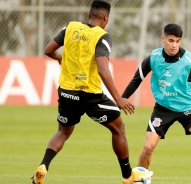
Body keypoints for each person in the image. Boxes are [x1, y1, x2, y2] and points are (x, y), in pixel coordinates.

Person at [31, 1, 153, 184]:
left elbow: (48, 50)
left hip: (66, 92)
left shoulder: (70, 28)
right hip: (90, 95)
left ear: (89, 15)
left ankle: (43, 166)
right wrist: (118, 98)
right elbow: (103, 70)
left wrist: (60, 58)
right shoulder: (102, 36)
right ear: (106, 18)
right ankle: (128, 176)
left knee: (63, 132)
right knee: (119, 129)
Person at [121, 23, 191, 184]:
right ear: (163, 39)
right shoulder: (153, 58)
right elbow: (137, 79)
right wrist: (122, 98)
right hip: (163, 108)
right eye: (171, 40)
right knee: (148, 147)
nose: (174, 45)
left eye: (178, 41)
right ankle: (139, 178)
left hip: (188, 107)